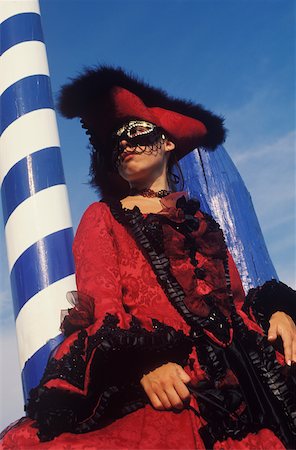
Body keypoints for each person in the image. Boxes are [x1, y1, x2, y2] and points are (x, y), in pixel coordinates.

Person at [1, 66, 296, 450]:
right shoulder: (104, 217)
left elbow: (232, 303)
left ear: (168, 142)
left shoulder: (203, 223)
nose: (124, 144)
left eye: (136, 132)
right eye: (116, 142)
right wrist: (141, 366)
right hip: (171, 385)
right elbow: (102, 305)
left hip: (252, 377)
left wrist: (276, 312)